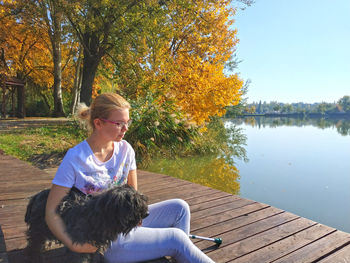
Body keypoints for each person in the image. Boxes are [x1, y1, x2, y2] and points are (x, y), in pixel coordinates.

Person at [45, 93, 215, 263]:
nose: (126, 128)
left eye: (127, 122)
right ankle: (178, 248)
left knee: (180, 208)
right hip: (106, 239)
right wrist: (75, 245)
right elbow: (51, 212)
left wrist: (138, 217)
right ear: (98, 123)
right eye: (119, 124)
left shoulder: (126, 150)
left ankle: (182, 255)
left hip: (127, 224)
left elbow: (133, 195)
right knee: (176, 238)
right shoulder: (76, 157)